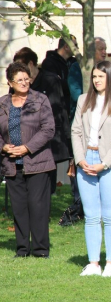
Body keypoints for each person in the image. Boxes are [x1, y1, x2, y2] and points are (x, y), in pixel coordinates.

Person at [71, 61, 111, 277]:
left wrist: (104, 164)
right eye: (94, 76)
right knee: (91, 215)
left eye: (101, 77)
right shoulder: (83, 100)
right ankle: (94, 263)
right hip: (87, 158)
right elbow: (76, 131)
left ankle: (110, 264)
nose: (96, 80)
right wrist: (80, 159)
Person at [0, 62, 55, 258]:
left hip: (37, 162)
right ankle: (22, 249)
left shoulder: (40, 100)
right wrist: (3, 147)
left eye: (26, 79)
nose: (24, 83)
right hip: (12, 165)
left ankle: (40, 250)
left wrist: (27, 148)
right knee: (19, 208)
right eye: (19, 80)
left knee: (38, 206)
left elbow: (48, 129)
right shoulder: (2, 103)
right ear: (10, 82)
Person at [13, 47, 72, 195]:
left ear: (31, 64)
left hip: (48, 141)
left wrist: (66, 140)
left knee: (46, 185)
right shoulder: (18, 83)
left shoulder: (50, 80)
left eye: (22, 67)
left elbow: (58, 111)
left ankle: (42, 213)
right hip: (23, 139)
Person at [42, 34, 83, 122]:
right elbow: (54, 85)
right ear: (66, 47)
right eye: (75, 46)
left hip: (75, 108)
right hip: (58, 110)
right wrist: (73, 84)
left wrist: (63, 81)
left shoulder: (76, 63)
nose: (77, 48)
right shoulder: (49, 63)